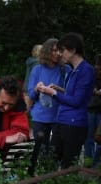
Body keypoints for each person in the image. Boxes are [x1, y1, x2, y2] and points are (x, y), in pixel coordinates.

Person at [38, 32, 94, 169]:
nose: (59, 54)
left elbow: (76, 101)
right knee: (50, 161)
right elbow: (71, 94)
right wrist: (57, 89)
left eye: (62, 50)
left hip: (74, 125)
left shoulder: (86, 70)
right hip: (61, 121)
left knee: (68, 167)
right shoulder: (73, 70)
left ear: (73, 50)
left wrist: (53, 93)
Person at [27, 38, 71, 174]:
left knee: (56, 151)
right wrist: (36, 88)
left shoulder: (66, 69)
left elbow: (71, 94)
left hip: (59, 117)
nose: (58, 53)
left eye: (60, 50)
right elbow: (31, 94)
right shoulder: (37, 69)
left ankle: (53, 178)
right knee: (41, 150)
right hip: (40, 117)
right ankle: (41, 177)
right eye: (54, 50)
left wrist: (56, 90)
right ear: (47, 51)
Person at [84, 54, 101, 168]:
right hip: (91, 108)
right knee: (89, 136)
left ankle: (96, 163)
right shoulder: (92, 72)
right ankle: (88, 161)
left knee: (99, 138)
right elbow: (88, 88)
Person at [23, 44, 42, 110]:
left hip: (26, 86)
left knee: (27, 108)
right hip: (32, 87)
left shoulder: (30, 61)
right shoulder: (37, 63)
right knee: (27, 109)